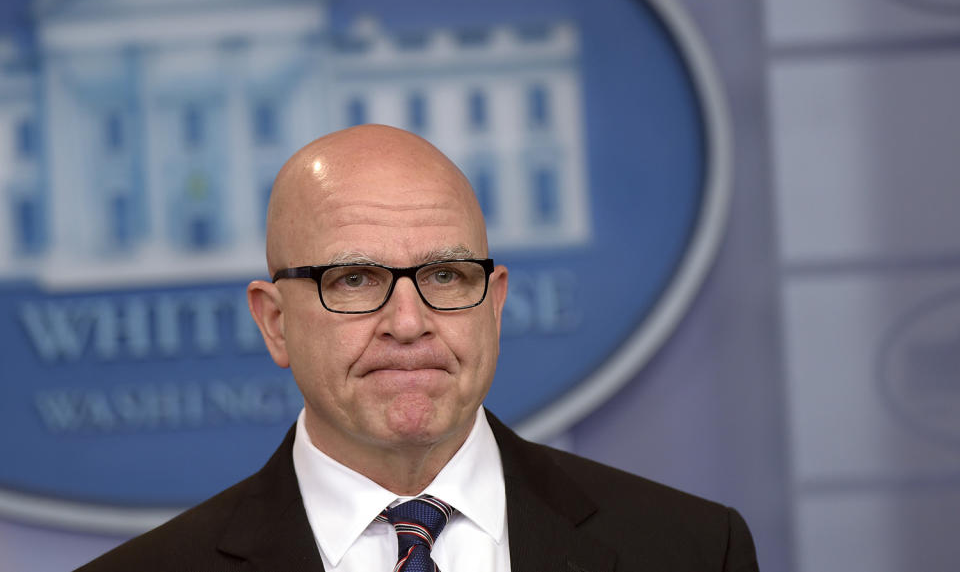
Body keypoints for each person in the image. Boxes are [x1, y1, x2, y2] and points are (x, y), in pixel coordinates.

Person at [76, 125, 759, 571]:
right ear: (275, 322)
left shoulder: (692, 550)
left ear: (494, 303)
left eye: (444, 275)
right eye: (354, 278)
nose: (409, 321)